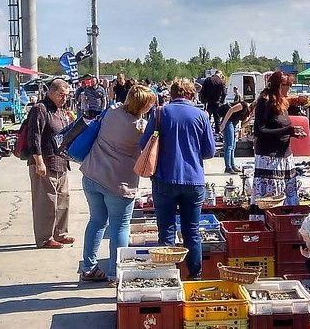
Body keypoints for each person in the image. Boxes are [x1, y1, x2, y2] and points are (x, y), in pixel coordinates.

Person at [79, 85, 157, 283]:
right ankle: (116, 274)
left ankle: (88, 267)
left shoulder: (111, 112)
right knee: (120, 227)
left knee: (96, 221)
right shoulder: (140, 127)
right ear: (145, 105)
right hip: (118, 183)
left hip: (92, 174)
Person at [140, 78, 215, 279]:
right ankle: (195, 277)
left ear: (171, 94)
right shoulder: (202, 116)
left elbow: (143, 144)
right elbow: (209, 151)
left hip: (164, 178)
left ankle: (168, 278)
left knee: (166, 232)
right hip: (194, 181)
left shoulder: (159, 113)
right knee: (192, 232)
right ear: (191, 95)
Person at [251, 71, 306, 219]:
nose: (290, 88)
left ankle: (286, 223)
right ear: (280, 85)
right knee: (271, 197)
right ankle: (267, 224)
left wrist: (292, 132)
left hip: (285, 156)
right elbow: (259, 130)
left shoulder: (282, 101)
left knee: (287, 195)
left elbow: (282, 127)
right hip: (269, 158)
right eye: (289, 85)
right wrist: (287, 130)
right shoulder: (264, 101)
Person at [27, 78, 75, 249]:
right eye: (62, 95)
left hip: (61, 162)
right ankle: (45, 238)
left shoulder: (61, 110)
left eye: (67, 96)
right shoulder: (40, 109)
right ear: (51, 92)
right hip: (45, 162)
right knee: (46, 202)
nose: (65, 99)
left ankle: (60, 234)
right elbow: (34, 136)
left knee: (63, 200)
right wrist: (39, 161)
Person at [219, 101, 251, 174]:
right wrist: (223, 123)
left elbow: (243, 125)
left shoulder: (249, 113)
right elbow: (231, 110)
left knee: (233, 146)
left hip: (234, 124)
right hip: (228, 122)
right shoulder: (244, 105)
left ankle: (232, 165)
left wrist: (250, 118)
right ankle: (228, 167)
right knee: (229, 145)